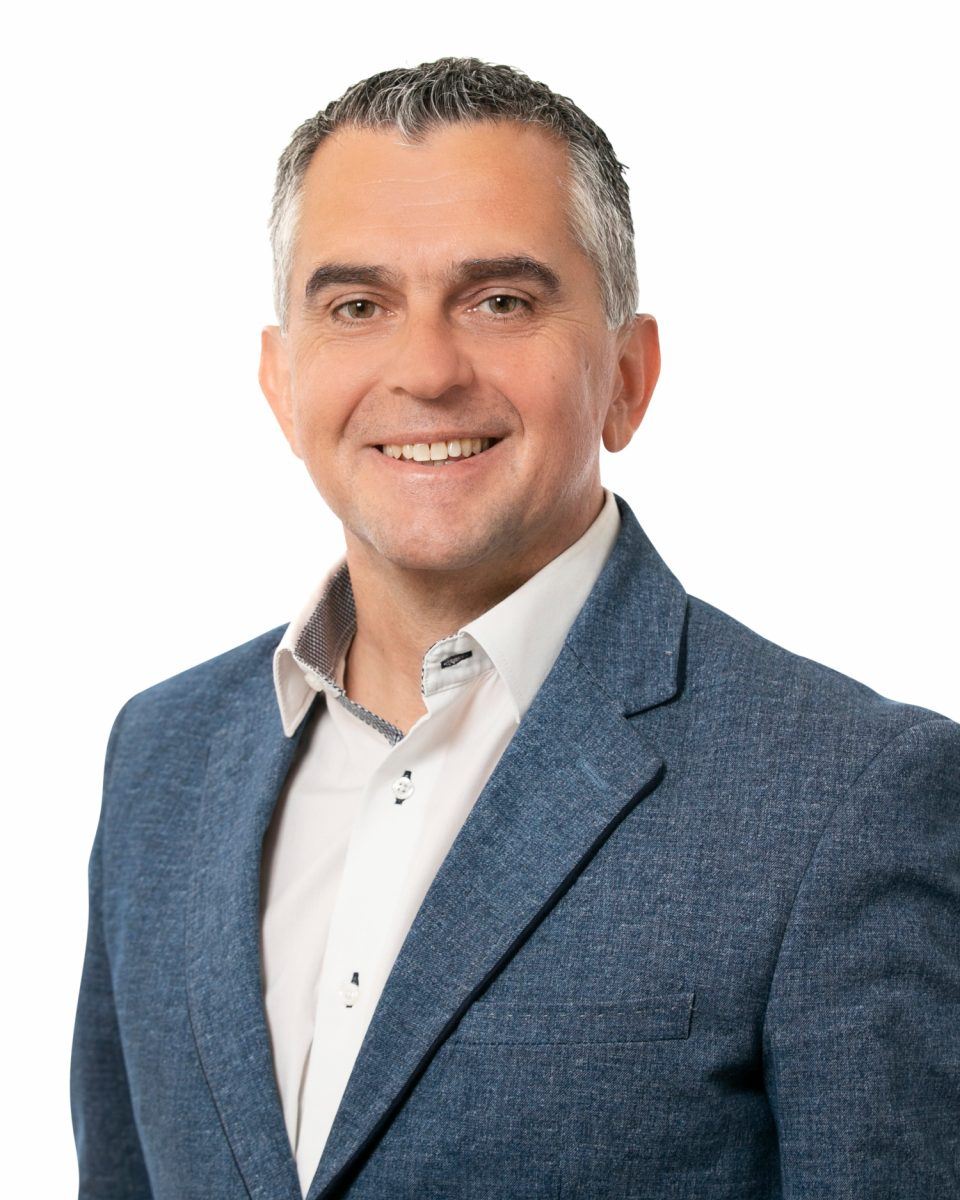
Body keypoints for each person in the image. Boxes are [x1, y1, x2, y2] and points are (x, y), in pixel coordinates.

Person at [70, 56, 960, 1200]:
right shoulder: (161, 756)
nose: (428, 370)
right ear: (281, 382)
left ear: (628, 378)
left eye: (502, 302)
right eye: (358, 306)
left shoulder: (854, 797)